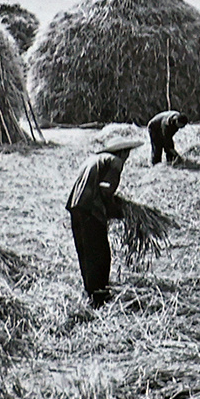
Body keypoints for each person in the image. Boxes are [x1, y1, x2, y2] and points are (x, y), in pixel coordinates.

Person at [67, 127, 145, 307]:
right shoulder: (115, 161)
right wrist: (119, 209)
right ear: (123, 152)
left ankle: (90, 290)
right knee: (100, 252)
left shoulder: (93, 160)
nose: (127, 157)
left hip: (75, 206)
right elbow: (105, 189)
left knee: (84, 250)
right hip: (91, 209)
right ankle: (99, 295)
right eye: (128, 153)